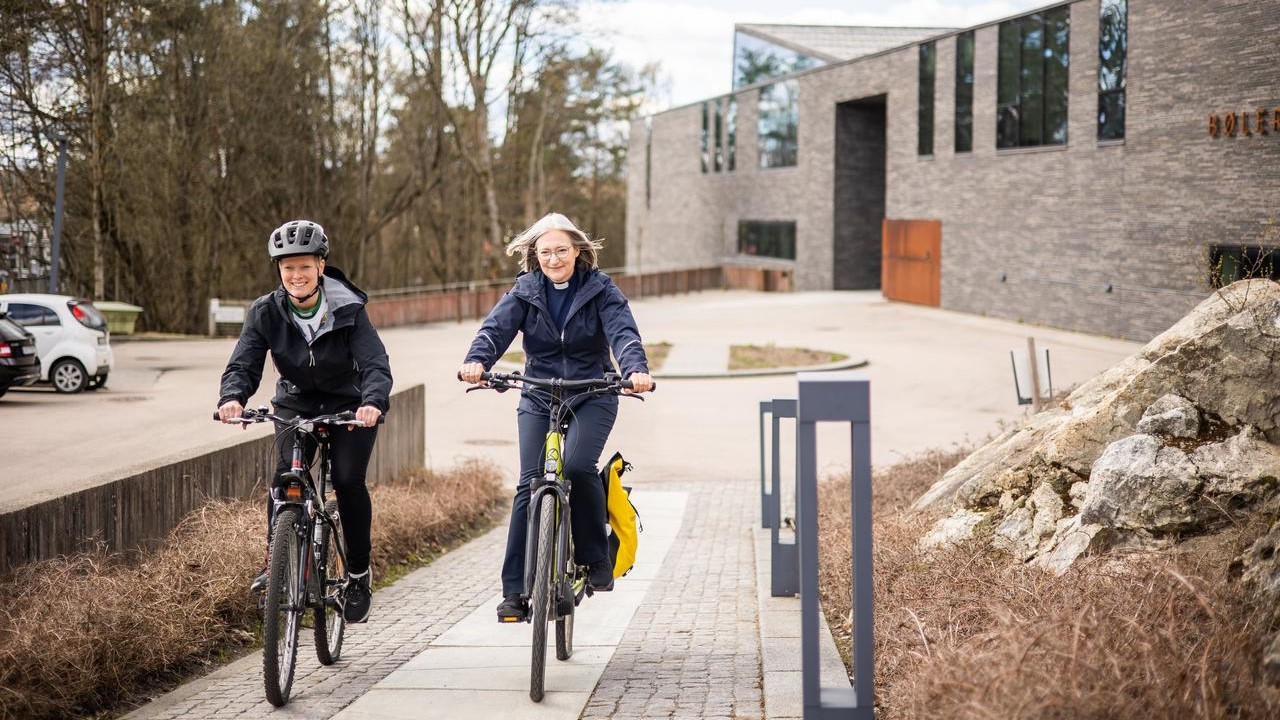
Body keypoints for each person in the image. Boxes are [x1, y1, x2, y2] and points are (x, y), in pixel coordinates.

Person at [458, 212, 654, 623]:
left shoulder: (601, 290)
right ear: (535, 255)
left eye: (561, 250)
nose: (553, 259)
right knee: (530, 483)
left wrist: (635, 369)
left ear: (578, 250)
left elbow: (623, 332)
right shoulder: (525, 290)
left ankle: (594, 558)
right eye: (545, 252)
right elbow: (496, 329)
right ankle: (515, 591)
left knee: (580, 467)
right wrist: (477, 360)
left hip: (592, 392)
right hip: (539, 392)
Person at [217, 219, 391, 624]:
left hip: (348, 405)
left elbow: (374, 363)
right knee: (285, 478)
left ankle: (358, 575)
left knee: (348, 481)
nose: (296, 275)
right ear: (279, 270)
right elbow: (243, 363)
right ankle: (274, 559)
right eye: (287, 267)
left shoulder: (348, 307)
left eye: (304, 266)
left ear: (321, 265)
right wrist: (232, 398)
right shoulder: (265, 312)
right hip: (295, 402)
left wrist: (373, 402)